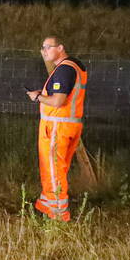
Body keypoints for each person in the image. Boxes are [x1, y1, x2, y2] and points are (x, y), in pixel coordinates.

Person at [26, 35, 87, 222]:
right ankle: (46, 205)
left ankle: (58, 214)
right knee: (55, 168)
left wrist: (37, 97)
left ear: (60, 47)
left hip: (57, 126)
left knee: (53, 170)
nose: (44, 51)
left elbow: (58, 101)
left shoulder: (64, 70)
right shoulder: (74, 66)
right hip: (68, 125)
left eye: (48, 47)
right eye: (42, 48)